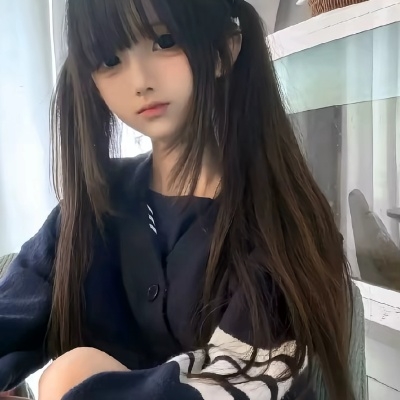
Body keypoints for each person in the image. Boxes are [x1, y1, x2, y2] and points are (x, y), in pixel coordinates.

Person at [0, 0, 355, 399]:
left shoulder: (284, 225)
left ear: (225, 49)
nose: (140, 80)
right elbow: (12, 310)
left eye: (165, 41)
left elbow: (234, 386)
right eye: (109, 59)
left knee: (70, 373)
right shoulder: (88, 211)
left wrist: (73, 381)